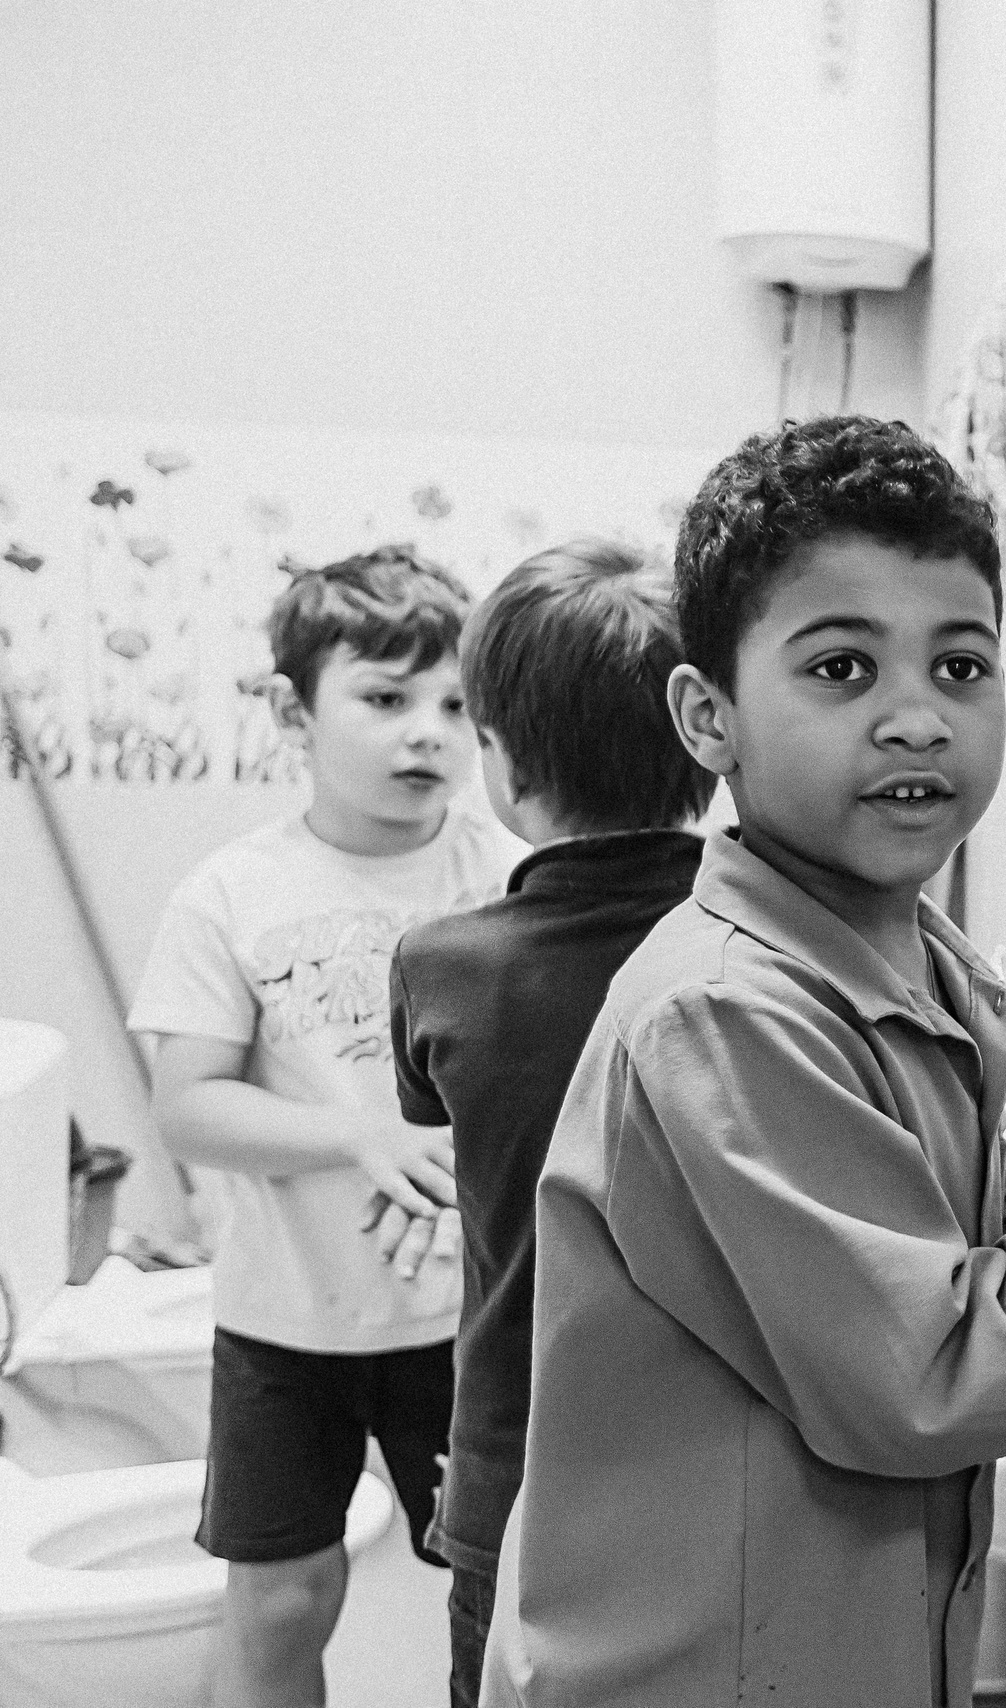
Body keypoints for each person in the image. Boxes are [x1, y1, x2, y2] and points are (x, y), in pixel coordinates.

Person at [482, 417, 1006, 1708]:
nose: (915, 720)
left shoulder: (908, 969)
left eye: (960, 665)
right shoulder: (726, 1018)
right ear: (705, 717)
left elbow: (954, 1262)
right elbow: (935, 1369)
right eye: (840, 668)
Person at [128, 546, 517, 1708]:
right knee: (285, 1600)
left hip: (466, 1321)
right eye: (386, 699)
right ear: (299, 712)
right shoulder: (234, 892)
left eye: (454, 705)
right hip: (285, 1325)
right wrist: (359, 1137)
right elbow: (187, 1104)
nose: (426, 734)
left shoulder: (509, 878)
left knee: (493, 1599)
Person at [380, 540, 715, 1708]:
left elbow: (447, 1129)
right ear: (706, 745)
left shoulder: (443, 969)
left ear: (505, 767)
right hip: (727, 1483)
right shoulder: (769, 958)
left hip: (516, 1472)